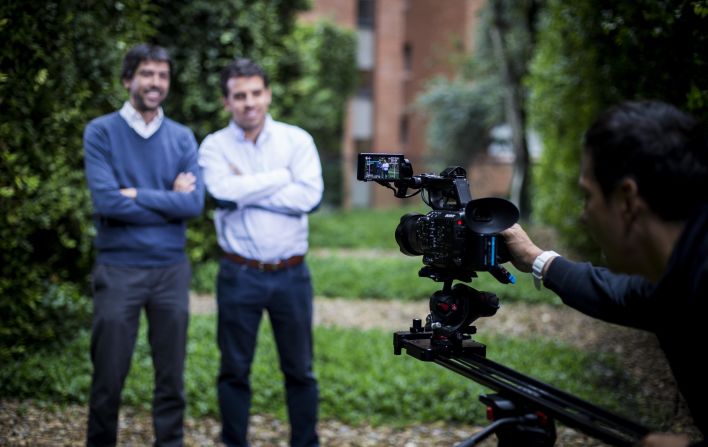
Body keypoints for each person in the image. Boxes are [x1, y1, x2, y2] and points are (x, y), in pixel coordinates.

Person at [500, 100, 707, 447]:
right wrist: (536, 259)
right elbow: (617, 293)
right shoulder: (677, 273)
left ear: (627, 200)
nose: (584, 216)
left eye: (588, 196)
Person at [83, 43, 204, 446]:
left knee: (171, 377)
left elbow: (193, 203)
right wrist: (167, 199)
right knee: (108, 378)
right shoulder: (101, 132)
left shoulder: (183, 137)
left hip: (171, 270)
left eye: (162, 75)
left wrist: (135, 194)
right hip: (119, 270)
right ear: (127, 79)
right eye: (147, 74)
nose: (156, 83)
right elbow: (106, 202)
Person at [198, 58, 323, 447]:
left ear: (267, 94)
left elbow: (309, 196)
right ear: (226, 102)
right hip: (239, 274)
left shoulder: (297, 140)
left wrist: (246, 189)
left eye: (255, 93)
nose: (248, 102)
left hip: (291, 274)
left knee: (300, 370)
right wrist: (280, 177)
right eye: (239, 96)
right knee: (234, 369)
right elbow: (220, 192)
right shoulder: (214, 146)